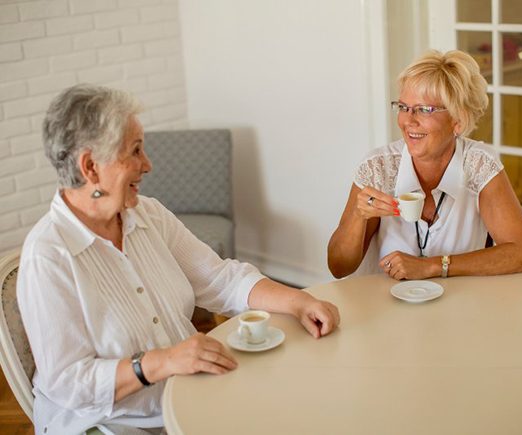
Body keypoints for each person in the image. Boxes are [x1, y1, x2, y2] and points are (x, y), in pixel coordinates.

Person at [17, 84, 340, 434]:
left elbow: (220, 279)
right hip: (108, 423)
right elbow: (68, 382)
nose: (148, 165)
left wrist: (299, 300)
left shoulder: (149, 215)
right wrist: (160, 363)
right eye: (136, 151)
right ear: (91, 167)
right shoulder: (48, 256)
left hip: (184, 394)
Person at [328, 49, 522, 280]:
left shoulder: (479, 164)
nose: (408, 120)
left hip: (458, 305)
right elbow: (338, 267)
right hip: (386, 306)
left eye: (424, 109)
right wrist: (359, 215)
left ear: (458, 120)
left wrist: (435, 266)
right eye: (404, 107)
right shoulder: (379, 167)